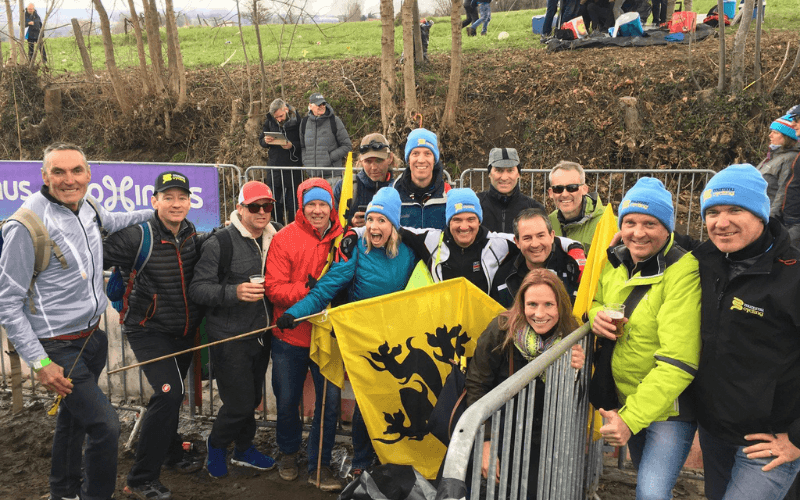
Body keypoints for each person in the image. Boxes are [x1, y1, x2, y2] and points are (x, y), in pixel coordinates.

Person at [0, 142, 152, 500]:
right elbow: (7, 303)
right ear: (44, 176)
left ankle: (63, 493)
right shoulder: (25, 226)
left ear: (88, 174)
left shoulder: (89, 206)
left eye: (76, 171)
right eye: (58, 172)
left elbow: (114, 221)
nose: (69, 180)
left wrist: (158, 211)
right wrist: (40, 362)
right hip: (56, 347)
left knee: (72, 422)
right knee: (105, 425)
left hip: (91, 339)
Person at [276, 187, 416, 479]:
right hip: (360, 338)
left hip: (391, 338)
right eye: (371, 220)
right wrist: (295, 313)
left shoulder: (410, 252)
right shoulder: (356, 249)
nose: (374, 227)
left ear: (393, 224)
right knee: (365, 403)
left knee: (384, 402)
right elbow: (327, 287)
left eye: (382, 221)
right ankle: (360, 462)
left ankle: (386, 457)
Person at [691, 164, 800, 500]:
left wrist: (797, 438)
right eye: (712, 212)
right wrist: (629, 244)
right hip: (715, 431)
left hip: (771, 440)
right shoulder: (706, 261)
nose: (721, 222)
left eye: (735, 210)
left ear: (760, 214)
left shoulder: (794, 276)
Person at [589, 177, 701, 500]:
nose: (638, 233)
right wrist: (595, 315)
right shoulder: (615, 260)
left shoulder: (683, 270)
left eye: (650, 223)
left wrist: (629, 419)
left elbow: (679, 360)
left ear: (667, 228)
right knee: (646, 486)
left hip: (669, 409)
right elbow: (596, 300)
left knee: (651, 493)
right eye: (630, 222)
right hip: (626, 397)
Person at [104, 171, 205, 500]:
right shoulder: (138, 235)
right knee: (169, 393)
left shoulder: (191, 232)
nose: (176, 204)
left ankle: (171, 451)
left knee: (171, 398)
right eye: (168, 197)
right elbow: (93, 254)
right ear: (154, 201)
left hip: (183, 330)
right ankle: (140, 479)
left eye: (182, 197)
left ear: (189, 202)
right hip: (147, 329)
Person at [466, 269, 585, 498]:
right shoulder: (501, 330)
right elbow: (476, 385)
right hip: (502, 433)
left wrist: (575, 374)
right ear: (521, 305)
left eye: (549, 304)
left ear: (560, 305)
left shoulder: (571, 334)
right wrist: (485, 443)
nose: (540, 313)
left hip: (546, 439)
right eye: (532, 304)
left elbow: (578, 401)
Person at [188, 180, 279, 479]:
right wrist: (234, 292)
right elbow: (198, 289)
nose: (262, 212)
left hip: (260, 334)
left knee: (251, 399)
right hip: (228, 336)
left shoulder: (275, 235)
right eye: (254, 206)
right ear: (240, 208)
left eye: (267, 206)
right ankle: (215, 446)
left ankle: (243, 449)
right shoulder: (220, 243)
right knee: (239, 403)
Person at [263, 178, 344, 492]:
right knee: (287, 402)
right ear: (302, 206)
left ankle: (319, 463)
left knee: (329, 405)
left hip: (328, 337)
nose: (317, 210)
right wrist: (307, 291)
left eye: (323, 204)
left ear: (331, 207)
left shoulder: (343, 239)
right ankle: (287, 453)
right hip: (290, 336)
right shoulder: (285, 238)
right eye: (311, 204)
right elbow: (273, 289)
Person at [398, 188, 516, 294]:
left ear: (479, 221)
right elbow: (396, 228)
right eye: (457, 220)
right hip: (445, 311)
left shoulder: (498, 243)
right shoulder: (432, 240)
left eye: (471, 219)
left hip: (483, 312)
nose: (464, 227)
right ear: (449, 222)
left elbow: (525, 239)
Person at [491, 208, 585, 308]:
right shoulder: (504, 279)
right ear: (517, 242)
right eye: (527, 238)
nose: (535, 244)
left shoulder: (574, 268)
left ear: (551, 236)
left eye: (540, 236)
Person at [333, 133, 398, 228]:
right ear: (361, 161)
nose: (374, 167)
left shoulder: (398, 188)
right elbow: (331, 222)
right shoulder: (345, 187)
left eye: (379, 160)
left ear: (390, 158)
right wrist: (351, 222)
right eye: (368, 161)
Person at [393, 128, 452, 230]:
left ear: (434, 160)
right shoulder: (394, 193)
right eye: (415, 153)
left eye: (427, 154)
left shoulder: (447, 194)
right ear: (408, 159)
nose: (421, 160)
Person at [476, 147, 545, 233]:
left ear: (518, 174)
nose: (504, 177)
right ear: (489, 173)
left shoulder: (534, 208)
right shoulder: (476, 205)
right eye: (499, 170)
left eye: (510, 170)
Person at [260, 98, 303, 225]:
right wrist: (265, 141)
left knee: (293, 202)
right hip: (275, 167)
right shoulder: (269, 121)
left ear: (286, 109)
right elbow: (261, 140)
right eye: (276, 117)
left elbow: (304, 142)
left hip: (292, 167)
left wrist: (292, 145)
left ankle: (293, 227)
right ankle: (277, 226)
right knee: (274, 202)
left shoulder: (298, 121)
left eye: (281, 116)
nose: (279, 119)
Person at [548, 161, 605, 255]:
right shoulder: (549, 223)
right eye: (558, 189)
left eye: (572, 188)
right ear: (550, 193)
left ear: (584, 189)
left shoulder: (606, 222)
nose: (565, 194)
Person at [300, 92, 353, 181]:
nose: (322, 106)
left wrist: (329, 158)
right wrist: (306, 161)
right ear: (310, 106)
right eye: (318, 104)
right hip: (312, 177)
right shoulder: (304, 122)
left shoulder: (335, 121)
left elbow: (347, 146)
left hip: (332, 177)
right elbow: (303, 147)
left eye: (323, 104)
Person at [756, 114, 799, 220]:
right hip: (759, 212)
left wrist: (771, 219)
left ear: (787, 137)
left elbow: (783, 192)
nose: (770, 135)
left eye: (775, 132)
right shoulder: (772, 156)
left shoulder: (790, 159)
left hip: (769, 216)